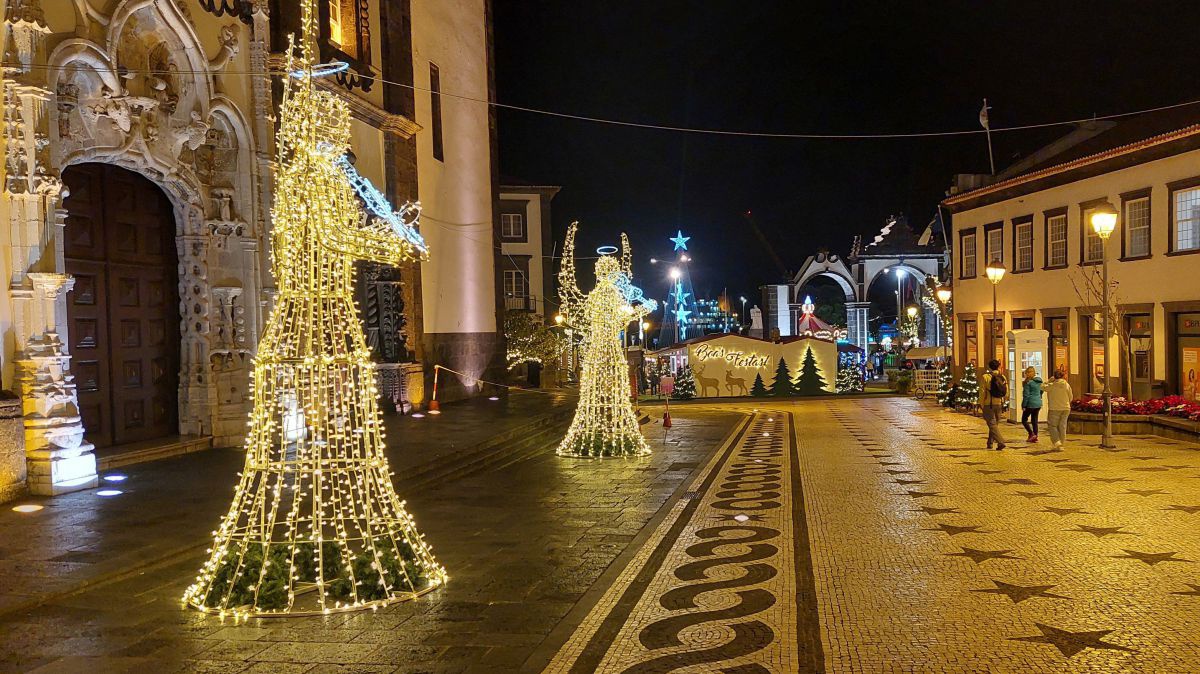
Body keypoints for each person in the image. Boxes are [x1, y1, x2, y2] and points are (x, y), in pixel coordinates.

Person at [979, 358, 1008, 450]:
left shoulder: (985, 377)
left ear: (989, 367)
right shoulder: (1002, 376)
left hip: (989, 403)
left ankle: (1000, 442)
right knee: (994, 424)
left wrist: (982, 404)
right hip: (999, 403)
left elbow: (982, 392)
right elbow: (1006, 391)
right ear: (998, 366)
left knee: (992, 424)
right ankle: (990, 442)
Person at [1043, 367, 1073, 449]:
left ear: (1054, 377)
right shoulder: (1067, 385)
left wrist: (1048, 381)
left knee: (1052, 425)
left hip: (1054, 408)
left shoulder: (1051, 385)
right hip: (1066, 408)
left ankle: (1057, 442)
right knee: (1062, 426)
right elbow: (1071, 396)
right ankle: (1061, 443)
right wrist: (1067, 403)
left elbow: (1042, 387)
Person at [1021, 366, 1043, 443]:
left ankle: (1031, 433)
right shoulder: (1039, 381)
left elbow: (1026, 395)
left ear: (1027, 374)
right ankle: (1035, 436)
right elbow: (1041, 391)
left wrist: (1023, 405)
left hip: (1030, 403)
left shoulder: (1028, 383)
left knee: (1024, 420)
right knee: (1034, 421)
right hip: (1038, 403)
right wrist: (1038, 398)